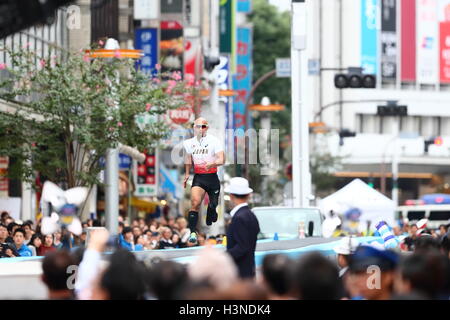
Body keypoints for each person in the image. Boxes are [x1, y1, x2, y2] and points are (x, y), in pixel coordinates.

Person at [183, 117, 225, 243]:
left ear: (207, 128)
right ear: (193, 127)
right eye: (197, 126)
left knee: (212, 206)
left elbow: (221, 159)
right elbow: (188, 159)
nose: (200, 129)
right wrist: (186, 174)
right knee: (195, 203)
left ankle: (212, 210)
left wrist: (212, 164)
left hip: (212, 178)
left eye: (203, 126)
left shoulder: (215, 141)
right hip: (199, 177)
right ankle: (192, 232)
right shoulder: (189, 143)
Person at [224, 177, 260, 279]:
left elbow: (242, 247)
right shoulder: (250, 215)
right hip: (248, 270)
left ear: (231, 196)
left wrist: (222, 257)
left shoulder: (239, 217)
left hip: (240, 273)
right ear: (248, 195)